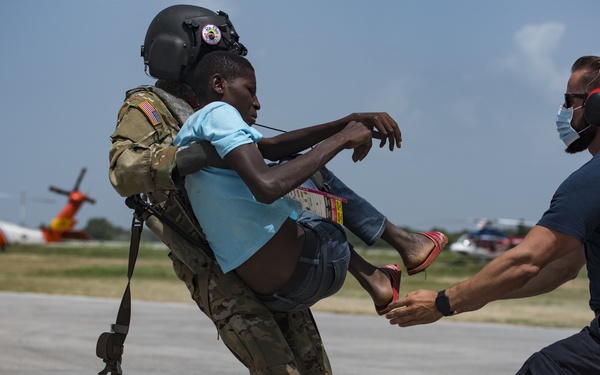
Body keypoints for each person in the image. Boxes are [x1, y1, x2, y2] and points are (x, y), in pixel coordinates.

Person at [109, 4, 445, 374]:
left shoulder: (212, 107)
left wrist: (346, 125)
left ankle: (393, 252)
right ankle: (387, 260)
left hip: (261, 242)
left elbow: (269, 150)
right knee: (275, 366)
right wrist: (196, 156)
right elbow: (124, 171)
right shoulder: (147, 107)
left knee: (312, 364)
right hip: (214, 266)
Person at [174, 51, 445, 313]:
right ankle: (405, 244)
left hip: (274, 297)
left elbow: (271, 147)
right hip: (315, 264)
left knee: (290, 164)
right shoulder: (218, 113)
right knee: (301, 176)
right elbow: (266, 186)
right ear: (219, 84)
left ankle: (377, 279)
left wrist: (348, 122)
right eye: (250, 90)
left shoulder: (194, 131)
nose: (257, 103)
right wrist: (341, 139)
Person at [384, 55, 600, 375]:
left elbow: (526, 260)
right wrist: (476, 295)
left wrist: (443, 301)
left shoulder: (591, 181)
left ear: (596, 105)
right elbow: (561, 268)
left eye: (571, 100)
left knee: (547, 369)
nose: (565, 111)